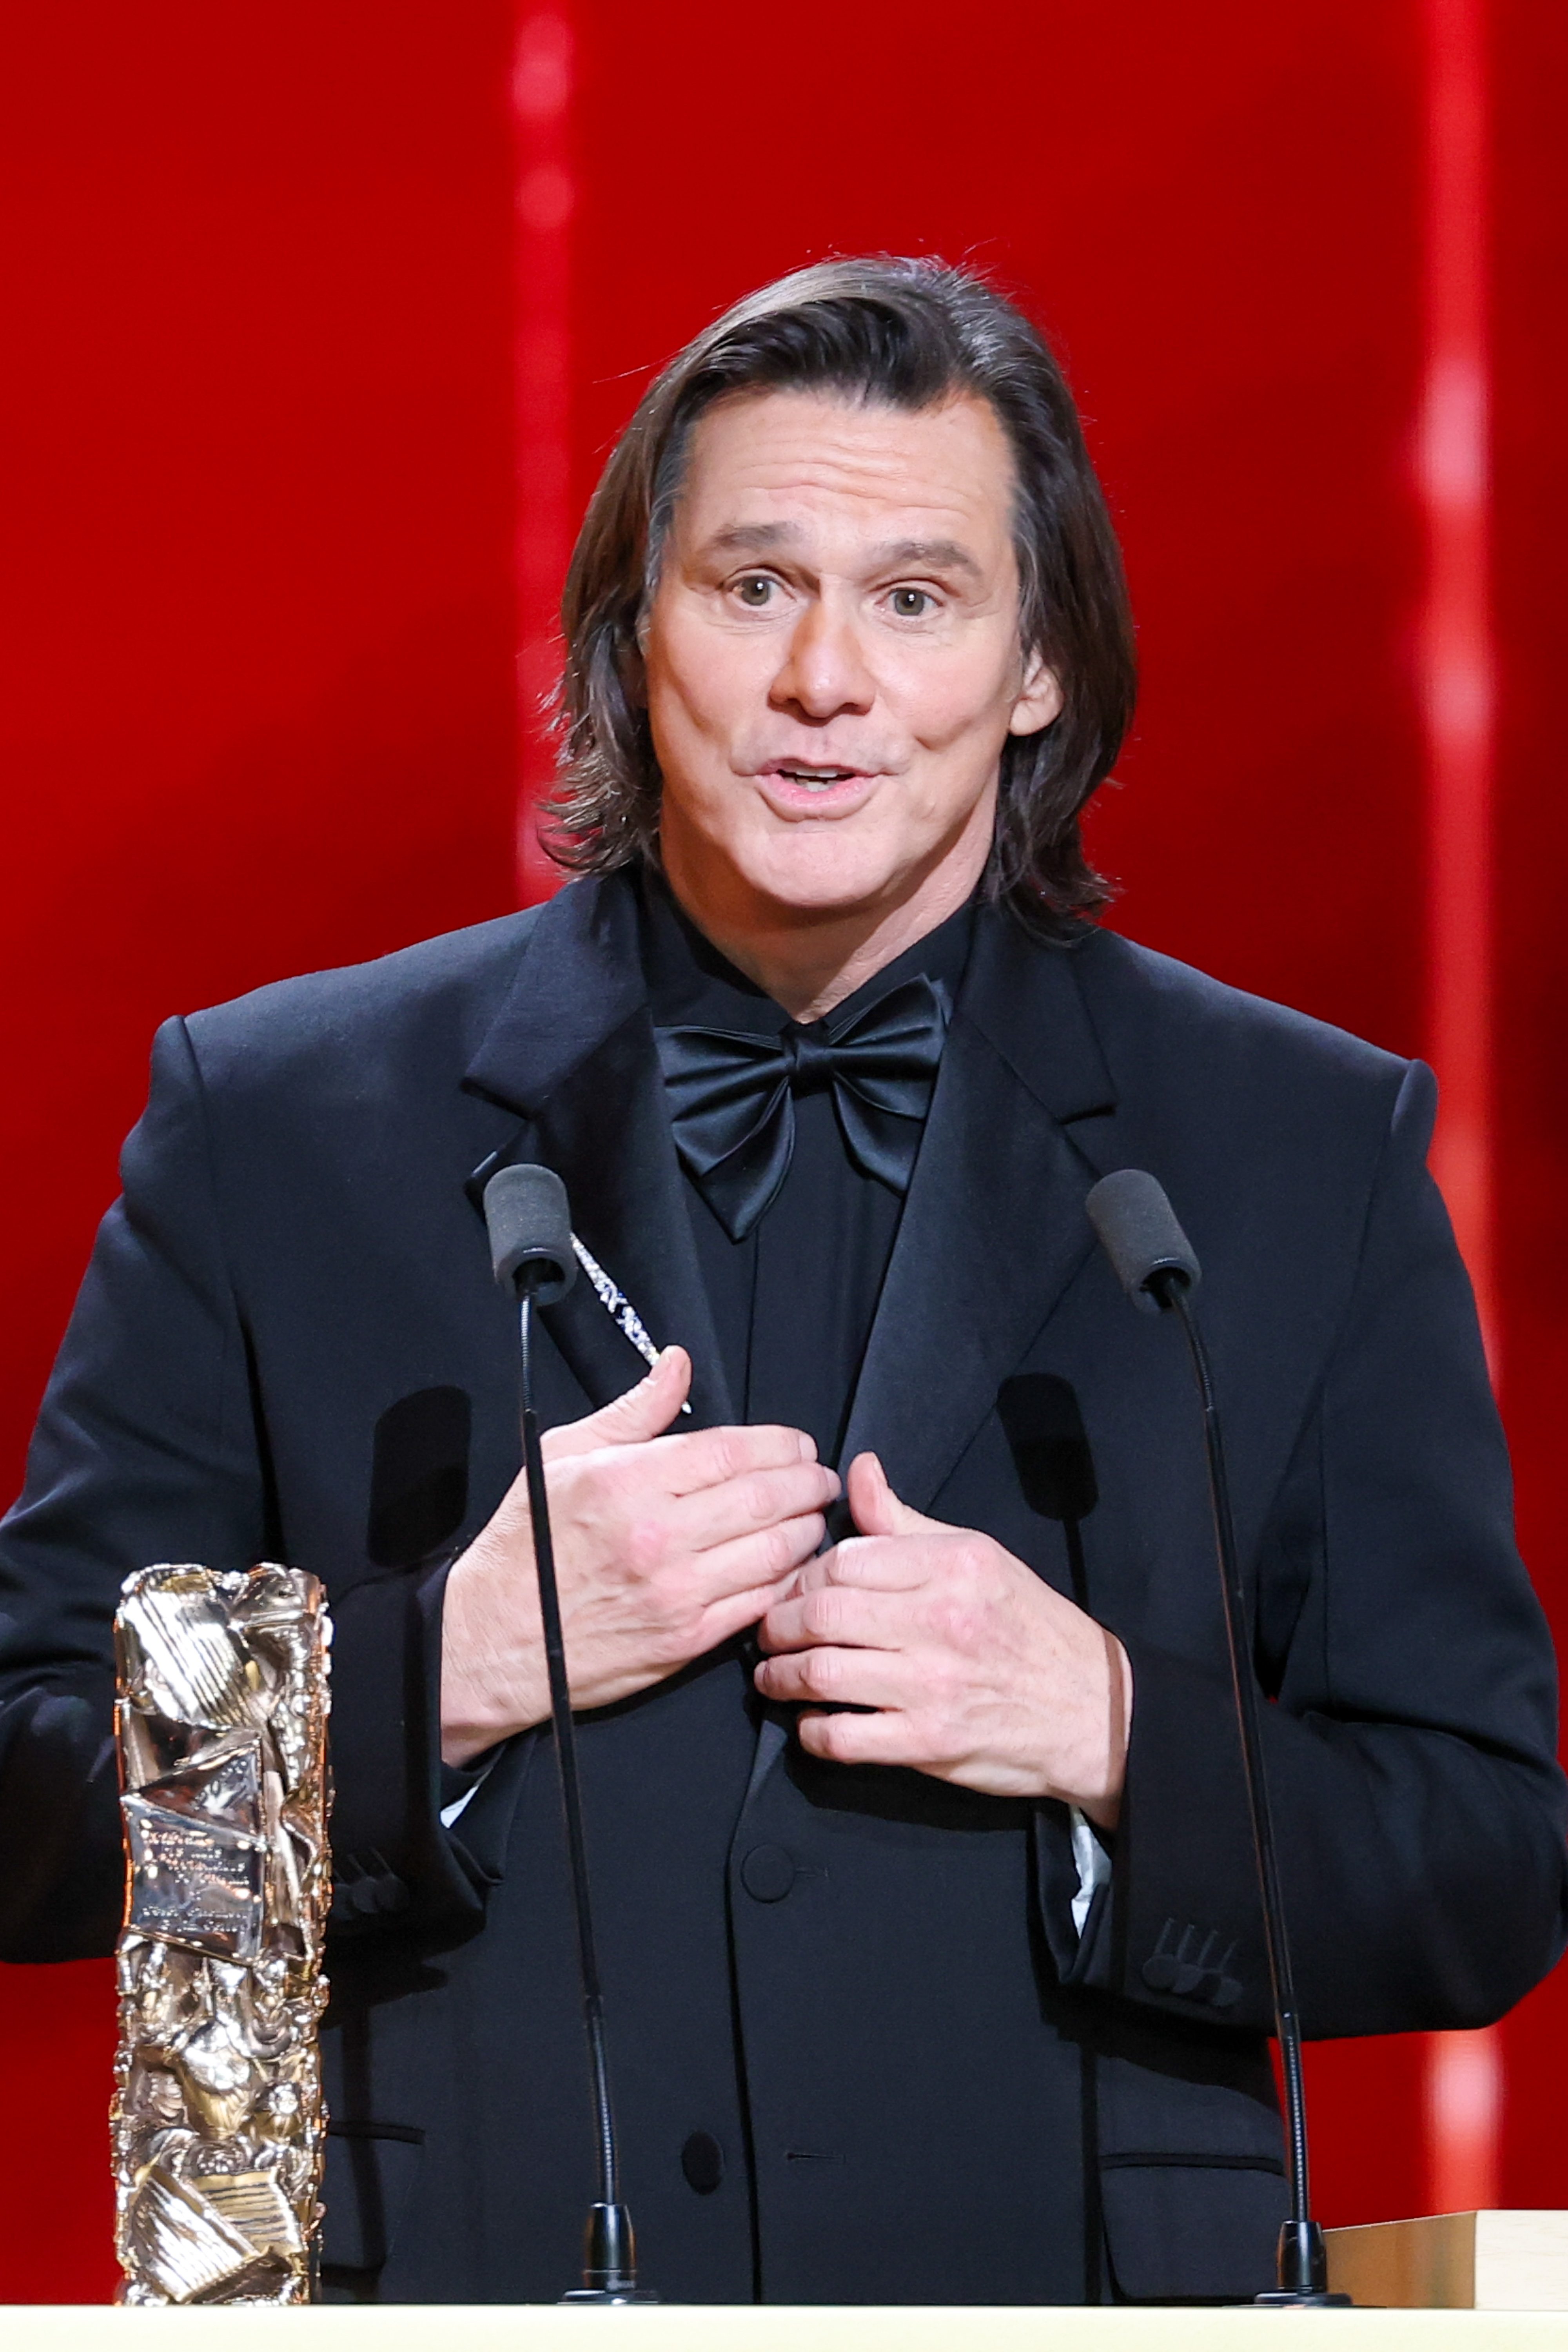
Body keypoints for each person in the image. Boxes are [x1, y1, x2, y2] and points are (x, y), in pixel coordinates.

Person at [1, 256, 1563, 2307]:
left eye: (915, 599)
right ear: (631, 642)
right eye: (751, 588)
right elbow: (23, 1795)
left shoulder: (1297, 1151)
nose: (825, 675)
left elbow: (1479, 1869)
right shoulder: (280, 1123)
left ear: (1037, 668)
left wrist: (1108, 1723)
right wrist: (429, 1672)